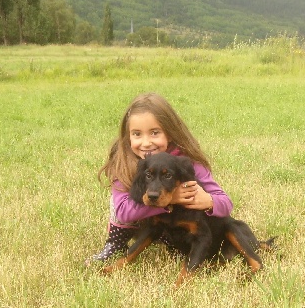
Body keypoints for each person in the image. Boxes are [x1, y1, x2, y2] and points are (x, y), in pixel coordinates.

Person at [87, 92, 233, 263]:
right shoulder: (123, 162)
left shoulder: (186, 162)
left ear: (170, 133)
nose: (146, 142)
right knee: (122, 200)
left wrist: (208, 201)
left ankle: (172, 243)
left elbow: (226, 204)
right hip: (138, 224)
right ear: (128, 136)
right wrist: (172, 199)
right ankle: (115, 244)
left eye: (155, 132)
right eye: (137, 134)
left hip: (171, 226)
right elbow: (123, 212)